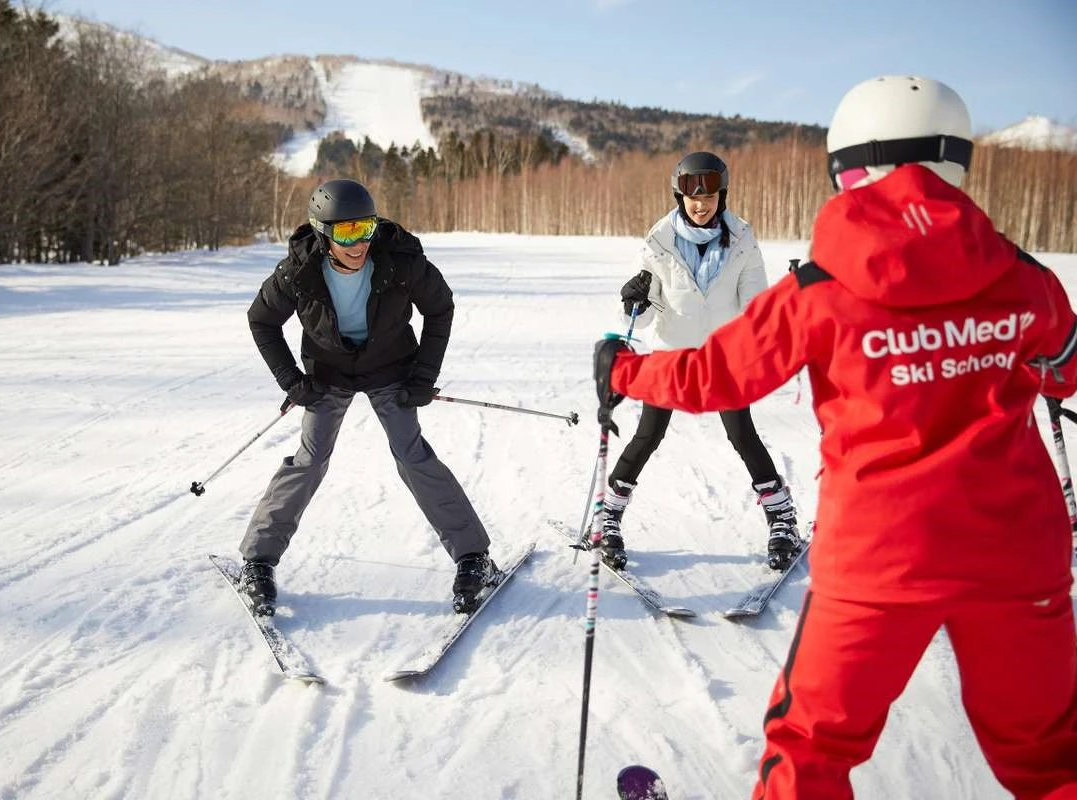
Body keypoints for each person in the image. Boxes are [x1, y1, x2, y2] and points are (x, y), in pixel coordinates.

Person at [594, 75, 1077, 799]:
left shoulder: (818, 290)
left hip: (881, 559)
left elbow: (716, 377)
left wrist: (624, 370)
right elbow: (1062, 371)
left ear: (849, 172)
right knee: (1051, 759)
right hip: (1016, 555)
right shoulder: (1026, 276)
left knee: (811, 755)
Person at [238, 178, 498, 615]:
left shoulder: (400, 260)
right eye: (345, 233)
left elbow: (441, 307)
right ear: (323, 233)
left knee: (411, 454)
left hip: (390, 367)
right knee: (310, 459)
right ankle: (257, 561)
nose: (358, 242)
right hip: (328, 373)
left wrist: (423, 374)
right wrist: (291, 380)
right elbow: (261, 320)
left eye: (365, 228)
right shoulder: (298, 270)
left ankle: (474, 556)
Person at [598, 151, 801, 572]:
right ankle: (609, 516)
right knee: (647, 436)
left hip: (723, 357)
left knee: (742, 434)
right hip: (672, 354)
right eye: (692, 196)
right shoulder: (657, 244)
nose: (701, 204)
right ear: (680, 196)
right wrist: (633, 297)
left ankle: (782, 519)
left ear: (721, 195)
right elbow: (646, 313)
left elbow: (756, 306)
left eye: (709, 195)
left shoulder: (742, 240)